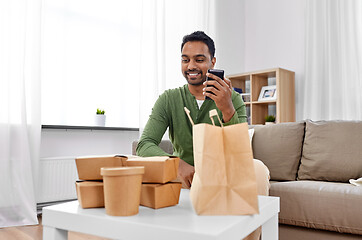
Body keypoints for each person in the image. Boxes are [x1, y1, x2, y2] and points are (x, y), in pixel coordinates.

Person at [136, 30, 269, 193]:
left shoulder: (233, 98)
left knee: (258, 169)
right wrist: (177, 164)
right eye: (185, 60)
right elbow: (144, 144)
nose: (191, 66)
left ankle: (251, 218)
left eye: (199, 60)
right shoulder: (169, 99)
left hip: (222, 175)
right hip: (184, 176)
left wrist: (227, 108)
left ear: (212, 62)